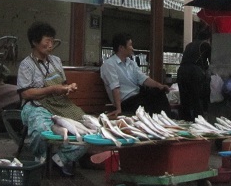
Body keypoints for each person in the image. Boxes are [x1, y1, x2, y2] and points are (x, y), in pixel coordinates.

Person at [16, 21, 86, 176]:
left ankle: (59, 159)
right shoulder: (26, 65)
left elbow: (62, 85)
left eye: (52, 41)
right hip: (35, 106)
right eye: (46, 41)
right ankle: (40, 157)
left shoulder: (56, 61)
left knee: (87, 130)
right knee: (41, 131)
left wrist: (68, 88)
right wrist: (53, 89)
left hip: (59, 104)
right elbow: (25, 94)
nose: (50, 44)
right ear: (35, 42)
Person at [100, 32, 171, 116]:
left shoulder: (131, 63)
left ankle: (168, 120)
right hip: (126, 101)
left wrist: (159, 86)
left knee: (159, 92)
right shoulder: (109, 65)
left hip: (138, 96)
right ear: (121, 47)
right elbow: (115, 87)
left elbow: (143, 78)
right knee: (148, 107)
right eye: (130, 45)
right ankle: (159, 123)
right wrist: (119, 109)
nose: (132, 48)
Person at [176, 26, 212, 120]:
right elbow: (212, 62)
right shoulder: (205, 44)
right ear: (208, 38)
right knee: (197, 99)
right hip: (194, 72)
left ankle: (185, 122)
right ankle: (198, 122)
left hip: (181, 71)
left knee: (184, 100)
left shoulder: (189, 45)